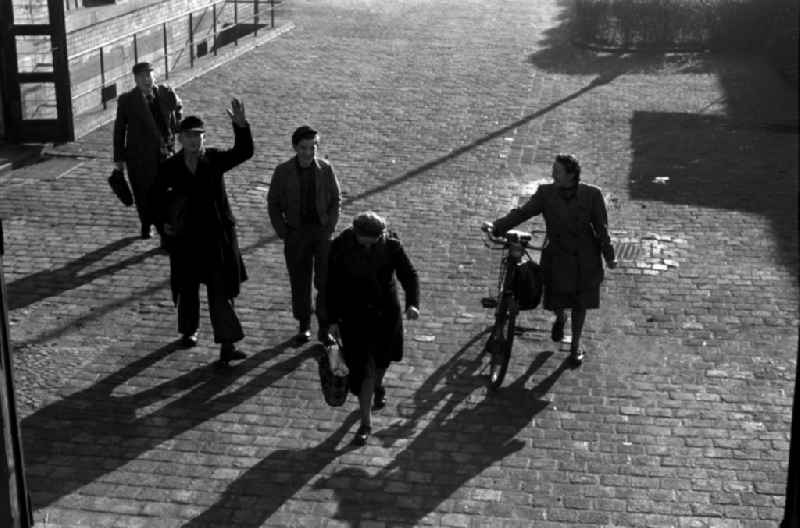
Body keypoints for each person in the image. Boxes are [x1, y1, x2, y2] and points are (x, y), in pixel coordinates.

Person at [489, 154, 616, 366]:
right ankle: (560, 317)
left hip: (584, 259)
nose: (553, 175)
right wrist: (499, 225)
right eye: (553, 170)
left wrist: (609, 256)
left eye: (558, 171)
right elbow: (524, 212)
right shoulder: (545, 193)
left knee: (580, 304)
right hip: (557, 256)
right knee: (555, 299)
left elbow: (602, 229)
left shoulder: (592, 195)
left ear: (571, 175)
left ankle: (575, 346)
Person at [152, 99, 253, 364]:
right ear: (181, 139)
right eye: (190, 137)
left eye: (199, 136)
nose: (196, 142)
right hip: (186, 240)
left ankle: (227, 344)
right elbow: (155, 199)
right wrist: (163, 222)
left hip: (215, 239)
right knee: (187, 288)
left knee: (221, 292)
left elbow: (243, 152)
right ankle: (189, 330)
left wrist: (240, 125)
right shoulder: (170, 168)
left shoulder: (215, 160)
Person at [326, 212, 420, 446]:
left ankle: (378, 385)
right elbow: (331, 283)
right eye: (364, 240)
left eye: (373, 240)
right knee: (362, 370)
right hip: (354, 316)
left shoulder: (391, 246)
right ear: (356, 233)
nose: (368, 244)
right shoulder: (340, 246)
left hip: (385, 314)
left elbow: (408, 275)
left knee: (382, 362)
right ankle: (365, 423)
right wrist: (332, 319)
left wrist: (413, 303)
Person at [267, 126, 341, 344]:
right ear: (295, 148)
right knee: (300, 280)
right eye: (303, 148)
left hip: (321, 233)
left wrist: (330, 227)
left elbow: (336, 199)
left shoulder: (325, 169)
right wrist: (283, 231)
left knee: (325, 281)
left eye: (312, 148)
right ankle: (304, 324)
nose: (308, 153)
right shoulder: (283, 171)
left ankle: (324, 326)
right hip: (296, 234)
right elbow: (273, 203)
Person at [113, 62, 183, 240]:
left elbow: (178, 109)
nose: (146, 80)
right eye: (141, 77)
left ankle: (164, 232)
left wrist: (177, 126)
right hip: (139, 157)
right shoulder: (127, 101)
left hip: (165, 153)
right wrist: (119, 159)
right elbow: (119, 130)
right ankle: (146, 223)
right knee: (143, 192)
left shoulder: (166, 93)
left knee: (166, 192)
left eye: (148, 75)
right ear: (135, 80)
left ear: (154, 76)